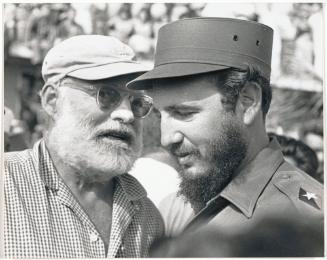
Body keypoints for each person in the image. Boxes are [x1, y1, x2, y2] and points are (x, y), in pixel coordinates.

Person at [127, 17, 323, 254]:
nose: (166, 139)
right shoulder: (194, 199)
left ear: (247, 102)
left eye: (184, 112)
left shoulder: (306, 224)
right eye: (160, 116)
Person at [4, 35, 163, 258]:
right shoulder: (7, 185)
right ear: (52, 100)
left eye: (137, 102)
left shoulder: (148, 217)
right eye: (106, 94)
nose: (127, 114)